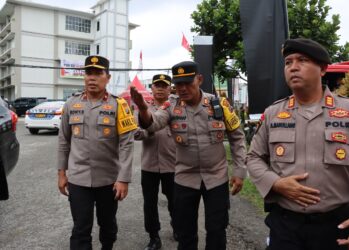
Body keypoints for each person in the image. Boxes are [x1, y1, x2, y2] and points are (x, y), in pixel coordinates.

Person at [130, 61, 247, 250]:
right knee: (185, 234)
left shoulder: (218, 104)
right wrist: (143, 109)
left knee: (217, 230)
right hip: (185, 179)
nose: (182, 88)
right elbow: (153, 124)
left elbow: (237, 136)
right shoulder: (171, 107)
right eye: (178, 84)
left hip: (216, 178)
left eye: (187, 83)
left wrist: (240, 171)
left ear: (199, 79)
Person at [246, 38, 349, 250]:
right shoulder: (274, 113)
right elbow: (254, 157)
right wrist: (276, 183)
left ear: (322, 69)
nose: (293, 67)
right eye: (288, 62)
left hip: (337, 225)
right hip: (286, 226)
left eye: (302, 60)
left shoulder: (347, 112)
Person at [57, 55, 137, 250]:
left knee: (108, 226)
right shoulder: (71, 104)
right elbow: (63, 141)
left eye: (98, 73)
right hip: (78, 180)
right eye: (88, 73)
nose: (92, 78)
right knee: (80, 229)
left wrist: (123, 178)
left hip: (108, 180)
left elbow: (127, 144)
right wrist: (61, 174)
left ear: (108, 77)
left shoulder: (119, 105)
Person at [134, 74, 177, 250]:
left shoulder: (177, 107)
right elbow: (136, 132)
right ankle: (154, 237)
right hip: (149, 165)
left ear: (169, 88)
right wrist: (147, 130)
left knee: (176, 201)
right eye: (156, 85)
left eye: (163, 85)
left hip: (172, 164)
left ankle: (178, 227)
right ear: (151, 88)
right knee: (149, 204)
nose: (160, 88)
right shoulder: (143, 108)